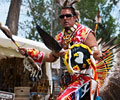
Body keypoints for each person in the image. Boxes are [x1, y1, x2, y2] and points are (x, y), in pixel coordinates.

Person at [19, 0, 102, 99]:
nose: (65, 18)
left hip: (84, 81)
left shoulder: (85, 33)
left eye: (68, 16)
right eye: (62, 17)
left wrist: (71, 53)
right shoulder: (59, 38)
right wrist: (30, 52)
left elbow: (97, 54)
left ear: (75, 17)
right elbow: (51, 57)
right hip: (66, 82)